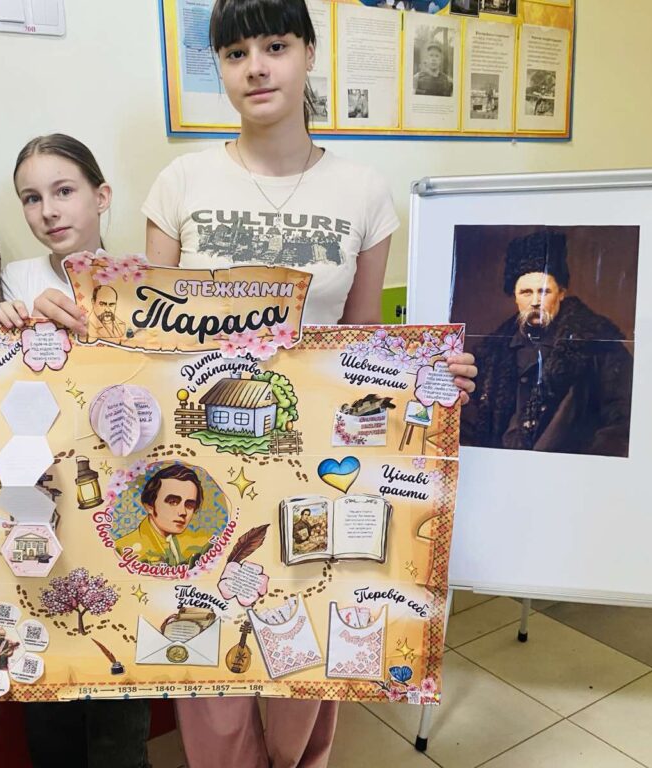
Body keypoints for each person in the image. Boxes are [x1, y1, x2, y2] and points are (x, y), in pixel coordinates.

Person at [142, 2, 477, 766]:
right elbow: (149, 340)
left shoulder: (363, 191)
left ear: (309, 53)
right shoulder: (180, 182)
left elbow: (360, 347)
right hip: (202, 466)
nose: (256, 67)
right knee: (210, 655)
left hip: (317, 464)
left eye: (275, 45)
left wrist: (427, 376)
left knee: (307, 647)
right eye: (235, 53)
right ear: (220, 68)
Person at [0, 134, 150, 768]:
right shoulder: (10, 280)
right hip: (37, 498)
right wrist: (3, 320)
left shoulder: (143, 281)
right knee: (47, 677)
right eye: (31, 198)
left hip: (121, 496)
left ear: (101, 197)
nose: (48, 210)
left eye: (64, 191)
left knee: (122, 691)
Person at [462, 228, 634, 457]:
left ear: (561, 293)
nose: (535, 301)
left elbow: (622, 424)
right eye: (526, 292)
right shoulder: (491, 353)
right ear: (514, 296)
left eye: (544, 292)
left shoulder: (599, 347)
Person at [114, 463, 213, 566]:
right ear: (149, 506)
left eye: (189, 505)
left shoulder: (193, 546)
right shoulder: (123, 550)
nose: (183, 512)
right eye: (173, 502)